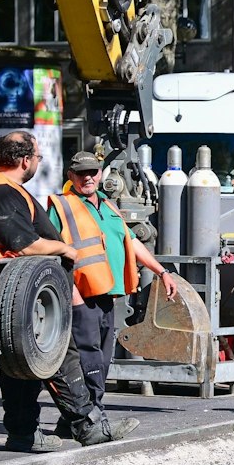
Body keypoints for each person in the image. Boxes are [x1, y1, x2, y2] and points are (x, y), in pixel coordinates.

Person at [0, 132, 125, 450]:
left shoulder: (2, 190)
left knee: (22, 362)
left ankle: (24, 433)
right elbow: (25, 245)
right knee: (58, 353)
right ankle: (83, 427)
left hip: (17, 287)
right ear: (24, 160)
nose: (37, 163)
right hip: (16, 288)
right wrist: (64, 249)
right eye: (37, 158)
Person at [45, 152, 182, 438]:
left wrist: (162, 272)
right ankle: (93, 418)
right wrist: (71, 295)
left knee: (102, 359)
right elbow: (51, 253)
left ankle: (73, 420)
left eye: (93, 172)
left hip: (108, 295)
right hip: (79, 296)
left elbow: (131, 242)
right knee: (88, 358)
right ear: (70, 175)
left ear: (101, 174)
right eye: (81, 172)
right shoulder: (62, 206)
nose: (88, 177)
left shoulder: (108, 205)